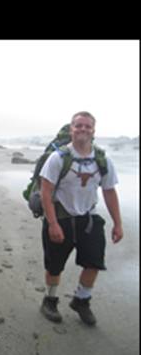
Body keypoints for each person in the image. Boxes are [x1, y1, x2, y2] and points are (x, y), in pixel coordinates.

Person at [39, 111, 123, 325]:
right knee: (55, 266)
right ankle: (50, 300)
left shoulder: (102, 159)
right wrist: (53, 224)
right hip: (61, 217)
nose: (83, 129)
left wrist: (118, 223)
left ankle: (81, 300)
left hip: (88, 219)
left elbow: (109, 191)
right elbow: (45, 192)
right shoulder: (58, 157)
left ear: (93, 130)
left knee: (94, 262)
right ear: (71, 128)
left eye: (87, 126)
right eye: (79, 126)